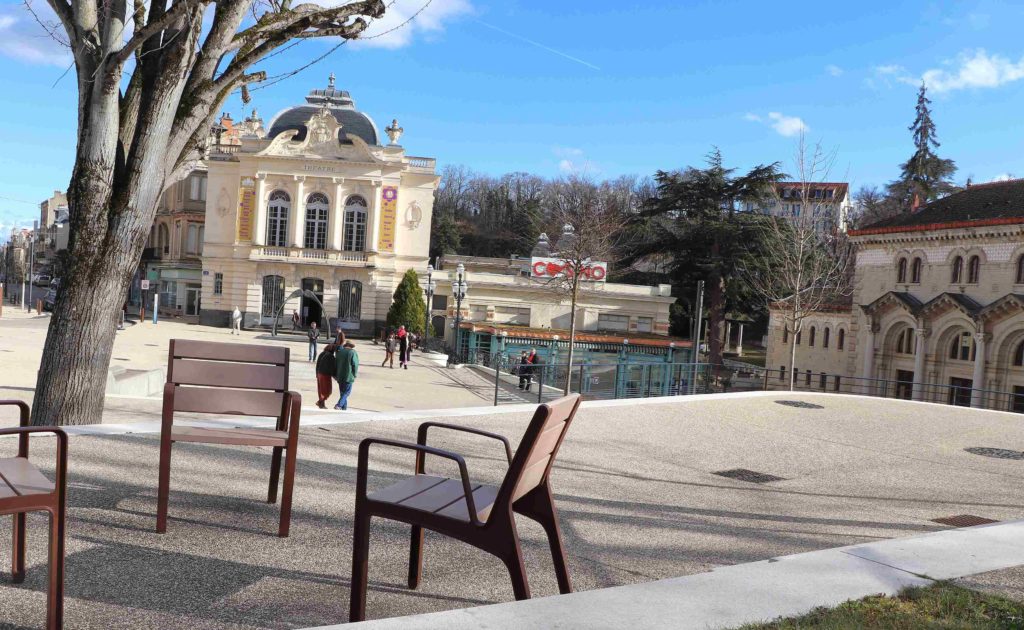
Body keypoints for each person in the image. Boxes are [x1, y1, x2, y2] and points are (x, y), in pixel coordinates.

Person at [334, 340, 359, 411]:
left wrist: (335, 374)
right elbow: (355, 364)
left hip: (339, 375)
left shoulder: (339, 352)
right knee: (347, 392)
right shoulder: (352, 352)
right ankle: (339, 405)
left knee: (342, 393)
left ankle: (344, 408)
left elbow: (335, 363)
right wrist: (354, 374)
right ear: (351, 346)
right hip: (348, 375)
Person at [315, 344, 336, 409]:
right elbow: (332, 367)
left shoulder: (321, 354)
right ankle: (320, 402)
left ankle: (321, 404)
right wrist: (335, 376)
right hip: (325, 375)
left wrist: (317, 374)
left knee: (321, 390)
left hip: (319, 373)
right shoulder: (331, 356)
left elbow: (317, 364)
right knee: (328, 391)